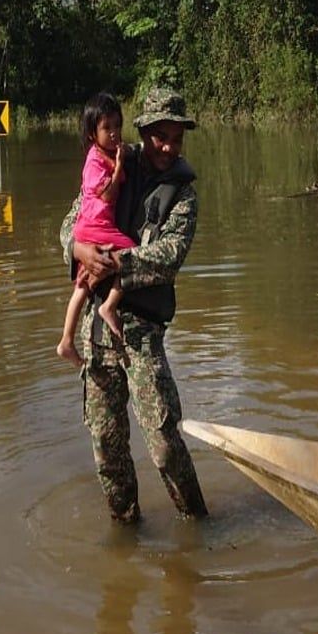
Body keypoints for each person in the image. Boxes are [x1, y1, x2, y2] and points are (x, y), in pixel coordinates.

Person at [60, 86, 208, 523]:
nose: (168, 146)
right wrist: (77, 249)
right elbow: (71, 222)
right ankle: (125, 533)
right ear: (143, 132)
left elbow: (168, 258)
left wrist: (108, 262)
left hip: (139, 331)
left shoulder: (183, 195)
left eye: (176, 138)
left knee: (163, 443)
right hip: (95, 330)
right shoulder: (109, 160)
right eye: (160, 136)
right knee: (107, 447)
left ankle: (197, 525)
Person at [57, 92, 134, 367]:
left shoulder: (109, 154)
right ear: (92, 133)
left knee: (84, 281)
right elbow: (108, 195)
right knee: (133, 255)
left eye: (117, 126)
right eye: (106, 128)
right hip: (95, 226)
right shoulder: (96, 161)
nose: (114, 134)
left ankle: (66, 340)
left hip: (90, 227)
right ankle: (109, 306)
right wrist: (120, 167)